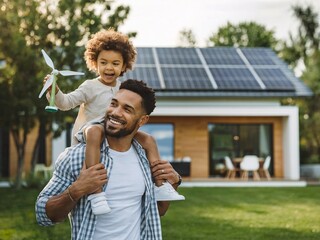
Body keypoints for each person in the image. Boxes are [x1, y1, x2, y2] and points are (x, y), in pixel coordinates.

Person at [43, 29, 184, 215]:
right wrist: (54, 91)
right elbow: (66, 103)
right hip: (90, 129)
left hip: (115, 129)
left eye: (115, 63)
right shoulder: (90, 86)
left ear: (124, 65)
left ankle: (162, 186)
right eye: (103, 62)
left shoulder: (123, 88)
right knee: (95, 132)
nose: (109, 68)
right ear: (95, 63)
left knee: (149, 139)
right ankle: (96, 193)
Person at [35, 79, 183, 240]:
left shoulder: (145, 159)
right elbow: (43, 215)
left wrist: (173, 184)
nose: (115, 112)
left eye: (127, 109)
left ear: (142, 120)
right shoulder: (77, 156)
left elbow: (158, 210)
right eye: (114, 104)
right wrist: (76, 190)